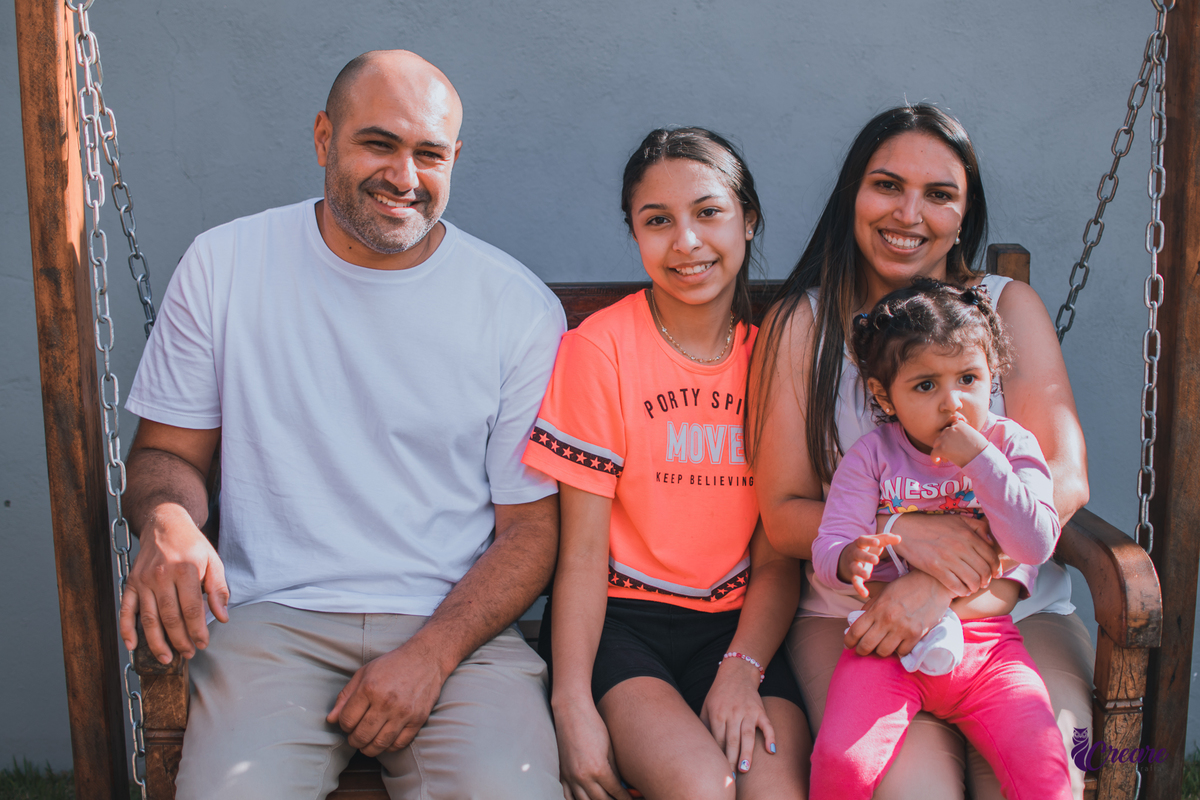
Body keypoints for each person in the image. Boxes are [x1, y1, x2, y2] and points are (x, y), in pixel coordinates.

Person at [118, 50, 565, 800]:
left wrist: (431, 655)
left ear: (455, 158)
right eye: (378, 143)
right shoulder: (226, 264)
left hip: (457, 630)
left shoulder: (514, 307)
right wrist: (167, 519)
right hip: (271, 623)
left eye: (429, 153)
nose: (404, 176)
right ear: (324, 138)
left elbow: (530, 531)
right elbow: (167, 454)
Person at [746, 103, 1093, 800]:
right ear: (853, 196)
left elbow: (1063, 479)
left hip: (1009, 606)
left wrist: (945, 583)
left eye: (939, 194)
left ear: (965, 216)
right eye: (887, 186)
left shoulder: (1007, 308)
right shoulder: (802, 325)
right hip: (860, 614)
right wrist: (902, 532)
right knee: (912, 789)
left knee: (1046, 766)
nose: (909, 214)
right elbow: (782, 514)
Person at [522, 128, 809, 800]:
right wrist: (571, 705)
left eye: (708, 212)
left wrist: (741, 668)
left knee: (773, 792)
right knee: (702, 787)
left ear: (748, 219)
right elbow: (582, 556)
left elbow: (776, 559)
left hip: (739, 627)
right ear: (634, 232)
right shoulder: (601, 350)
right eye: (657, 221)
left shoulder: (772, 361)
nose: (686, 241)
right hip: (622, 627)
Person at [808, 278, 1072, 800]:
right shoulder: (873, 456)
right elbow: (828, 545)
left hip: (987, 646)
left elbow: (1035, 544)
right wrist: (848, 558)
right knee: (843, 761)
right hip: (887, 643)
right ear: (884, 395)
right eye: (925, 385)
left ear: (992, 374)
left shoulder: (1009, 444)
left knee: (1043, 766)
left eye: (969, 379)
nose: (953, 402)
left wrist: (981, 460)